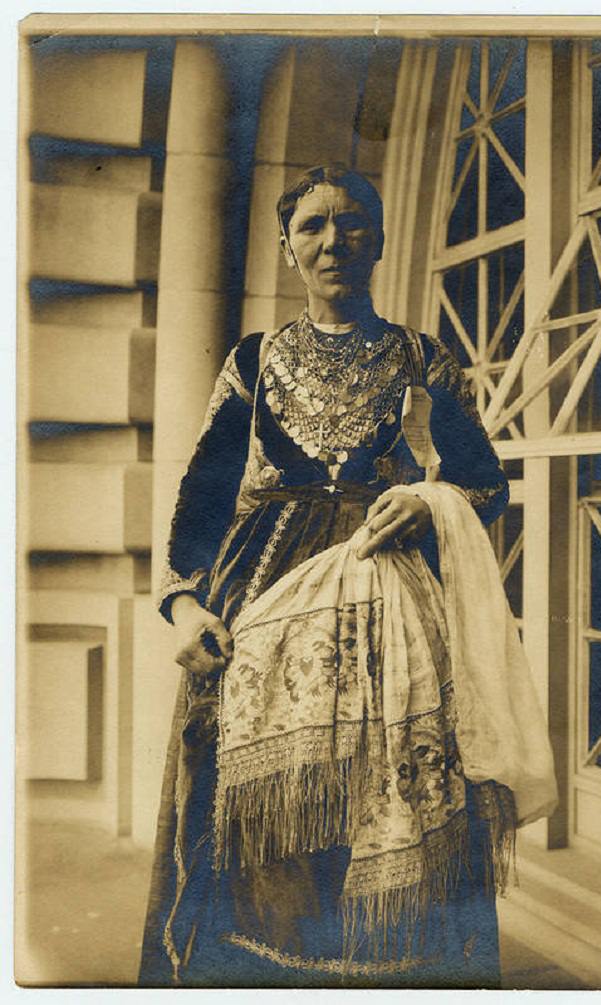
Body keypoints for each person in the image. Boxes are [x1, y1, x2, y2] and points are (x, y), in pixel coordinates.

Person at [138, 164, 556, 989]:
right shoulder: (254, 361)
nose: (334, 241)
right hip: (262, 598)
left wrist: (431, 500)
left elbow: (487, 482)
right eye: (314, 226)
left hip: (391, 597)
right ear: (291, 249)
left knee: (405, 799)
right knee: (248, 811)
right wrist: (185, 607)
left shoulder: (420, 355)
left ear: (380, 238)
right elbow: (204, 498)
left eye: (353, 222)